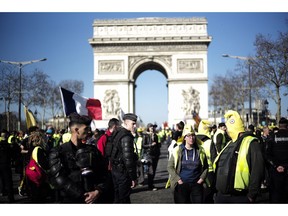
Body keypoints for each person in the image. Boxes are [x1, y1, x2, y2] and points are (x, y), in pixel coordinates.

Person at [48, 113, 108, 203]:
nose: (89, 132)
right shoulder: (58, 152)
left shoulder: (93, 150)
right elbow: (58, 179)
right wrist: (82, 195)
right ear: (76, 130)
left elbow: (104, 173)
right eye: (86, 129)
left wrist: (97, 191)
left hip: (94, 200)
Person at [213, 110, 264, 203]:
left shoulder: (251, 143)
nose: (226, 130)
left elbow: (258, 169)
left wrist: (251, 196)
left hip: (239, 197)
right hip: (221, 196)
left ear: (233, 128)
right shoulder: (230, 143)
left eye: (227, 128)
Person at [167, 124, 208, 203]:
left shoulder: (200, 150)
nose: (191, 138)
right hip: (182, 184)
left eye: (193, 135)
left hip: (196, 184)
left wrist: (201, 179)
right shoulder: (177, 150)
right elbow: (170, 167)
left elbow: (206, 166)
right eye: (188, 136)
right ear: (184, 137)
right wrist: (178, 180)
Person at [110, 113, 138, 203]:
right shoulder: (126, 136)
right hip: (123, 173)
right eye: (133, 123)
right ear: (126, 122)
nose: (135, 126)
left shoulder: (117, 132)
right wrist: (133, 177)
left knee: (117, 198)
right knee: (124, 200)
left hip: (115, 170)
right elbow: (128, 160)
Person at [96, 117, 120, 203]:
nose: (119, 127)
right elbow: (100, 154)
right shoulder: (104, 137)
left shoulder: (116, 137)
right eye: (118, 126)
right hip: (107, 169)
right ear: (114, 126)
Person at [25, 131, 51, 203]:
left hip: (31, 175)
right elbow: (43, 164)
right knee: (39, 198)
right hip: (38, 176)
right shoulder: (38, 149)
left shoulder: (31, 148)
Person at [266, 117, 288, 203]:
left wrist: (276, 165)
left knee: (275, 196)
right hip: (287, 171)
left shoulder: (272, 137)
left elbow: (267, 155)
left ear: (279, 126)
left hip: (275, 171)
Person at [196, 120, 217, 203]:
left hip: (196, 171)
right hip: (209, 172)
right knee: (209, 195)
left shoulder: (193, 140)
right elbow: (214, 159)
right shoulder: (209, 142)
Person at [142, 123, 161, 191]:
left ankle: (151, 183)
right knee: (151, 170)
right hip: (149, 154)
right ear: (148, 128)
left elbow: (157, 144)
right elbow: (143, 145)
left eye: (152, 127)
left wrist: (159, 144)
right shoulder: (145, 135)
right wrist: (150, 145)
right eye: (150, 127)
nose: (152, 128)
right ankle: (150, 185)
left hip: (155, 154)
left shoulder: (155, 135)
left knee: (154, 170)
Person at [0, 130, 15, 203]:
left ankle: (2, 191)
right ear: (6, 136)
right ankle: (10, 198)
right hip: (6, 164)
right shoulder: (9, 146)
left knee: (2, 180)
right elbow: (13, 155)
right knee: (8, 181)